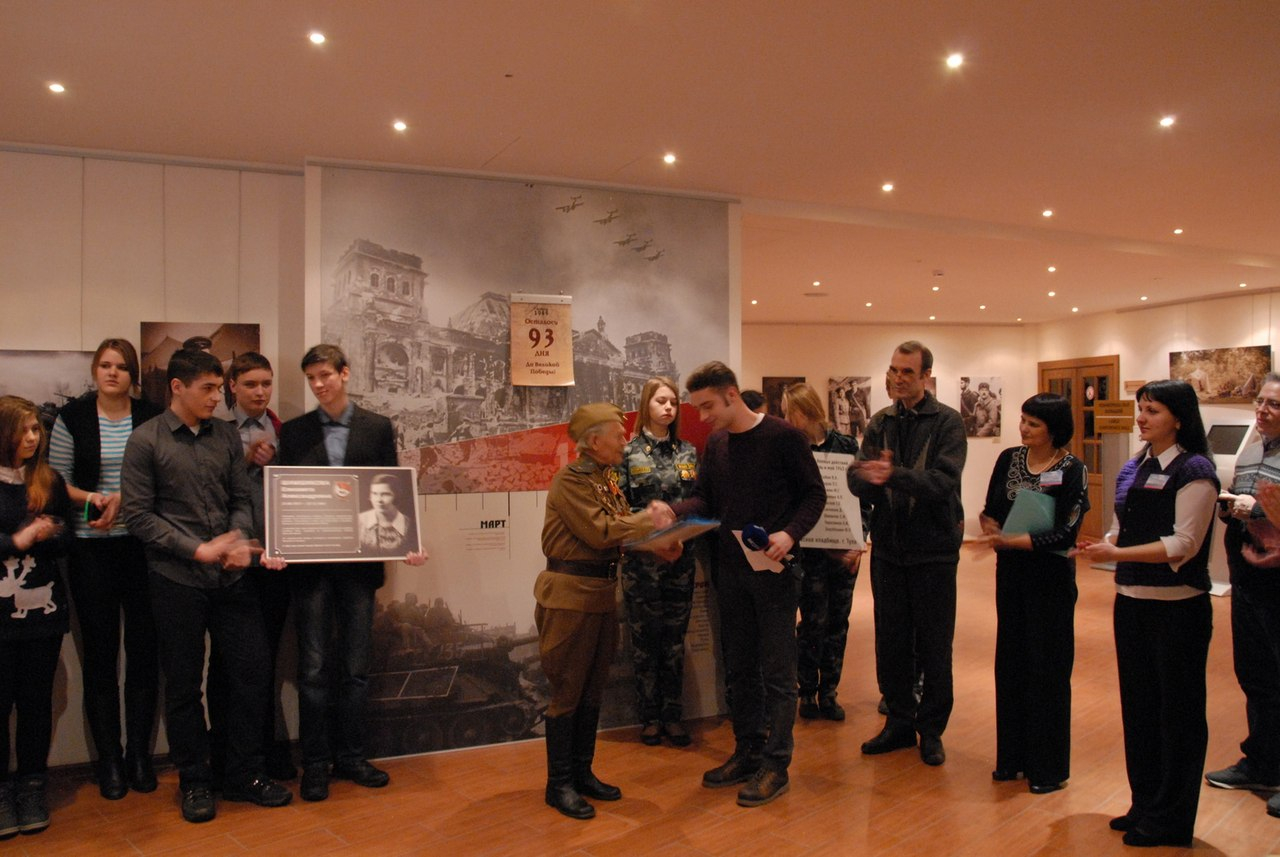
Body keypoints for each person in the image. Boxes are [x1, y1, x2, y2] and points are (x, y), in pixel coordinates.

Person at [121, 349, 292, 823]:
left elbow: (240, 498)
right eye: (209, 389)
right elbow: (138, 515)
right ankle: (195, 781)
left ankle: (244, 774)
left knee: (251, 673)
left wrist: (237, 538)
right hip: (176, 580)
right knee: (183, 685)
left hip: (231, 579)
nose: (218, 397)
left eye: (220, 388)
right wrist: (197, 549)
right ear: (177, 387)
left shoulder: (224, 435)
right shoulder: (145, 440)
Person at [666, 361, 826, 808]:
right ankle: (748, 750)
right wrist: (672, 511)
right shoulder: (718, 444)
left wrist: (790, 534)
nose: (702, 417)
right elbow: (706, 500)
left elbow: (814, 494)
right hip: (731, 572)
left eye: (708, 406)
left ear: (732, 395)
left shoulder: (784, 437)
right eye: (697, 408)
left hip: (774, 574)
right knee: (738, 669)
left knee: (777, 672)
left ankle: (777, 764)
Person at [277, 344, 425, 803]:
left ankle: (352, 757)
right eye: (311, 378)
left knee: (356, 669)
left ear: (344, 373)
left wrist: (406, 541)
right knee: (314, 669)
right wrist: (279, 544)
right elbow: (286, 495)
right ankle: (315, 764)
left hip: (360, 568)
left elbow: (391, 489)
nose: (318, 384)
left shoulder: (377, 427)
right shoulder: (295, 432)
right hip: (311, 569)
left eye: (325, 375)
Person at [1074, 379, 1217, 848]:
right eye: (1141, 408)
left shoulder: (1195, 470)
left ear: (1178, 417)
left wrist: (1117, 554)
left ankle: (1171, 818)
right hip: (1132, 600)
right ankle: (1145, 803)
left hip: (1178, 608)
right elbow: (1122, 527)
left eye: (1152, 410)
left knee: (1178, 714)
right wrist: (1103, 545)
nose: (1141, 417)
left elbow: (1183, 544)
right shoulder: (1135, 466)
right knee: (1139, 709)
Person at [536, 402, 674, 819]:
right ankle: (559, 784)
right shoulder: (570, 480)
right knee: (568, 693)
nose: (625, 440)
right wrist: (650, 519)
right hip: (569, 599)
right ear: (594, 441)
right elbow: (601, 531)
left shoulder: (605, 479)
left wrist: (660, 544)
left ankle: (582, 774)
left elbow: (620, 535)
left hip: (598, 595)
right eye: (618, 434)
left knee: (592, 691)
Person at [47, 338, 162, 800]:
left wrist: (125, 499)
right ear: (95, 370)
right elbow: (57, 482)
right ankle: (109, 760)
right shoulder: (72, 417)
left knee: (144, 656)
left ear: (133, 374)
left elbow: (162, 476)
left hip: (142, 547)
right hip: (91, 550)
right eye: (105, 365)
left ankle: (140, 756)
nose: (113, 373)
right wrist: (96, 498)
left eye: (122, 366)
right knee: (100, 658)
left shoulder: (151, 416)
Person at [849, 340, 966, 767]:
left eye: (907, 372)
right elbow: (856, 478)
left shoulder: (948, 422)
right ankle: (899, 722)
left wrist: (890, 475)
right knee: (891, 642)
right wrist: (868, 477)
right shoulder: (880, 422)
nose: (898, 378)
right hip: (889, 552)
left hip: (933, 553)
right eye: (894, 370)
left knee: (935, 646)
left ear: (925, 376)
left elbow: (942, 483)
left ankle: (931, 731)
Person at [976, 394, 1088, 794]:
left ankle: (1048, 768)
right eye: (1023, 420)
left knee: (1048, 669)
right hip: (1011, 575)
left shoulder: (1072, 469)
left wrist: (1015, 541)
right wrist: (990, 527)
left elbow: (1066, 533)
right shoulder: (1009, 458)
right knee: (1011, 664)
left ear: (1054, 429)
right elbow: (991, 507)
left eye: (1033, 424)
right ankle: (1012, 759)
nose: (1023, 429)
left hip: (1050, 579)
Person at [207, 352, 294, 784]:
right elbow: (209, 490)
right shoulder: (216, 431)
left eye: (266, 383)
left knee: (266, 661)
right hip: (231, 561)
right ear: (232, 387)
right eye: (251, 384)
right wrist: (243, 461)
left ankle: (263, 748)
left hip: (275, 563)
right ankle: (222, 753)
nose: (261, 392)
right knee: (226, 663)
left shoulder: (284, 432)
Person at [1205, 373, 1280, 816]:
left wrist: (1262, 510)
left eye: (1274, 404)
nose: (1263, 410)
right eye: (1261, 401)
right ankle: (1263, 763)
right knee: (1256, 675)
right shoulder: (1252, 451)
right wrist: (1231, 507)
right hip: (1248, 576)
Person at [0, 396, 75, 837]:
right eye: (22, 430)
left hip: (42, 614)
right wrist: (19, 540)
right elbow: (17, 539)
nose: (32, 438)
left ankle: (31, 786)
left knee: (35, 703)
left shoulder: (48, 479)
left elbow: (67, 537)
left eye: (35, 430)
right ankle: (2, 791)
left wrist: (48, 533)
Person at [616, 377, 699, 747]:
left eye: (673, 402)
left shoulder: (688, 452)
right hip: (642, 565)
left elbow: (696, 500)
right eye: (660, 401)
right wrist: (649, 539)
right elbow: (619, 511)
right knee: (644, 642)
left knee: (675, 642)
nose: (668, 408)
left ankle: (673, 715)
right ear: (645, 405)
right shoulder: (628, 453)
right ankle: (650, 718)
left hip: (680, 561)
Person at [780, 382, 861, 721]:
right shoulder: (791, 448)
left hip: (843, 550)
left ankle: (829, 693)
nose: (787, 420)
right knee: (812, 623)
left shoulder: (846, 446)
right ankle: (807, 692)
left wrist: (859, 541)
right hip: (809, 551)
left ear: (805, 410)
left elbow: (860, 498)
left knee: (838, 624)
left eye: (789, 413)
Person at [358, 474, 409, 551]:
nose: (379, 500)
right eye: (374, 494)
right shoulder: (358, 521)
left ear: (396, 496)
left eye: (385, 494)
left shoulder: (409, 525)